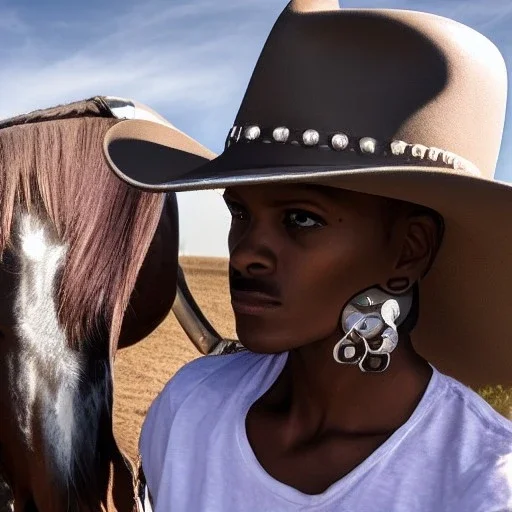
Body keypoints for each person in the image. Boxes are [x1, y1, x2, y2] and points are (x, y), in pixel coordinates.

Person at [103, 1, 512, 510]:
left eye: (301, 219)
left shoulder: (485, 486)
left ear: (410, 251)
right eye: (240, 213)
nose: (246, 253)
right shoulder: (188, 409)